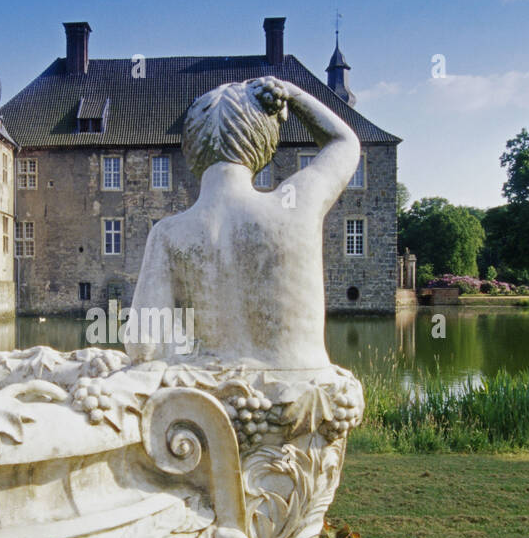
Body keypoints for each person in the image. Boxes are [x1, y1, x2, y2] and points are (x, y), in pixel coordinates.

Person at [125, 77, 360, 370]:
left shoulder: (167, 235)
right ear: (265, 139)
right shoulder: (298, 204)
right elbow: (345, 142)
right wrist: (291, 93)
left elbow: (142, 345)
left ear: (190, 147)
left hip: (218, 397)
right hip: (306, 393)